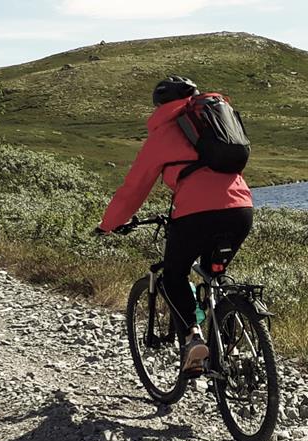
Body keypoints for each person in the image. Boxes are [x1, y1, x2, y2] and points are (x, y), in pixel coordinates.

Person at [97, 76, 255, 376]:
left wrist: (109, 224)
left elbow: (134, 188)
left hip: (195, 213)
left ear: (159, 106)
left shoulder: (164, 133)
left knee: (174, 275)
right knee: (213, 274)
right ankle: (228, 329)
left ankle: (194, 338)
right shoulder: (216, 123)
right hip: (241, 209)